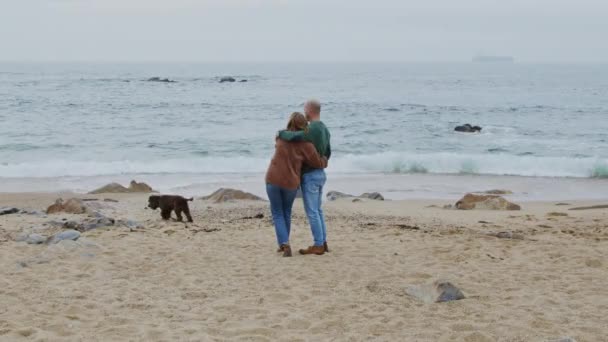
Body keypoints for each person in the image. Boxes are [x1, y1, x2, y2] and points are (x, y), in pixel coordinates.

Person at [265, 112, 328, 257]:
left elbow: (279, 145)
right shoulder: (307, 145)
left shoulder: (280, 138)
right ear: (305, 125)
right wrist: (325, 159)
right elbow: (317, 163)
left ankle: (284, 244)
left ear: (290, 123)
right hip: (291, 183)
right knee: (286, 212)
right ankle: (285, 243)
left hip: (273, 179)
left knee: (277, 213)